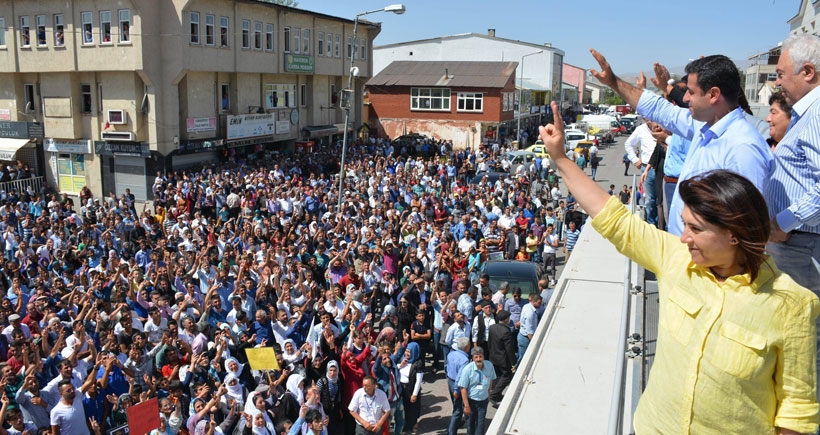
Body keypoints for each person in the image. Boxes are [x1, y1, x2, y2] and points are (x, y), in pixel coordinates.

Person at [539, 100, 819, 434]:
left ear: (735, 234)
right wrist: (561, 158)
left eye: (696, 229)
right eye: (684, 224)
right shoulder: (676, 260)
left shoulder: (793, 304)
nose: (683, 238)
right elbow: (613, 218)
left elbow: (795, 413)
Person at [589, 49, 773, 236]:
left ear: (714, 94)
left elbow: (748, 227)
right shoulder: (704, 126)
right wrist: (613, 81)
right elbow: (660, 109)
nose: (685, 98)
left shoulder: (744, 148)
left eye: (691, 92)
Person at [765, 33, 820, 402]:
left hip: (802, 244)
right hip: (797, 242)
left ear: (809, 71)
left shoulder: (815, 116)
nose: (778, 81)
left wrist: (782, 222)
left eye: (782, 73)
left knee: (804, 342)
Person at [457, 346, 496, 435]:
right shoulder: (467, 370)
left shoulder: (489, 365)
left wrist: (489, 393)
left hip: (483, 401)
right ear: (473, 358)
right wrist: (466, 405)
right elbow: (463, 388)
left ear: (483, 357)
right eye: (476, 357)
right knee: (470, 425)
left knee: (481, 425)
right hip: (471, 401)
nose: (478, 359)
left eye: (480, 356)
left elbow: (491, 380)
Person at [487, 310, 516, 407]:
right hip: (503, 359)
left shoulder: (492, 327)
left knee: (498, 376)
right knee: (506, 376)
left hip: (493, 356)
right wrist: (513, 363)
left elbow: (489, 342)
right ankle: (494, 395)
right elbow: (509, 349)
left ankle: (497, 394)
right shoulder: (506, 331)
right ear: (506, 319)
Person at [446, 337, 471, 435]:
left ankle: (457, 424)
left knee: (455, 406)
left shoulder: (451, 354)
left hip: (450, 381)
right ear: (466, 347)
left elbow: (446, 367)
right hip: (457, 385)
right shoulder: (464, 360)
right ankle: (451, 432)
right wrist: (456, 390)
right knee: (458, 410)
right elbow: (460, 377)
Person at [516, 294, 541, 366]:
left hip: (522, 336)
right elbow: (529, 331)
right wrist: (534, 343)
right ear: (534, 302)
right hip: (526, 338)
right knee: (523, 358)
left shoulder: (527, 306)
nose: (540, 305)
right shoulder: (530, 313)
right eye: (539, 303)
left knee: (521, 355)